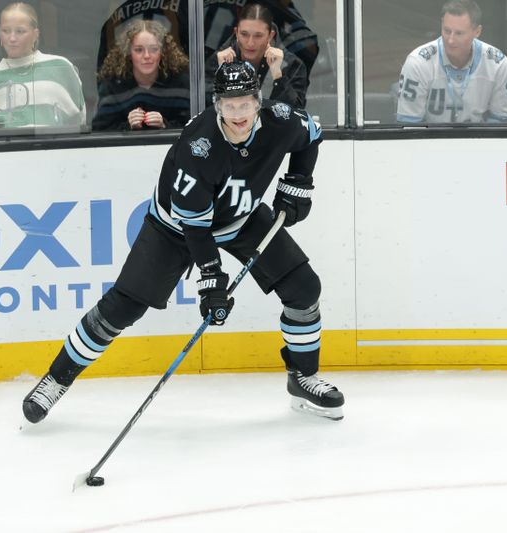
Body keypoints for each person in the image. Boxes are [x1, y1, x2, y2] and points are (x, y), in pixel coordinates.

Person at [22, 61, 345, 424]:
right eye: (229, 105)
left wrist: (298, 180)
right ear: (216, 104)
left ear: (259, 102)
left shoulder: (281, 119)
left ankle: (302, 377)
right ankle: (55, 379)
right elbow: (196, 228)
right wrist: (211, 278)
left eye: (245, 104)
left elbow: (311, 136)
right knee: (123, 307)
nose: (238, 114)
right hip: (175, 228)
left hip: (242, 217)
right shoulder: (198, 147)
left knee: (304, 287)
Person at [94, 0, 319, 80]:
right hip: (223, 111)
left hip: (171, 117)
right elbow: (306, 49)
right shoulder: (184, 7)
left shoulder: (114, 19)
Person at [396, 0, 507, 123]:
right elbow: (408, 126)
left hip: (479, 140)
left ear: (477, 32)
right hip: (430, 140)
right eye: (447, 31)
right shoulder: (418, 63)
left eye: (459, 33)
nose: (451, 41)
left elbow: (505, 123)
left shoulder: (497, 63)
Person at [0, 2, 86, 133]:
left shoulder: (61, 66)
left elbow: (79, 121)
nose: (12, 38)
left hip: (56, 149)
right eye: (5, 31)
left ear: (35, 34)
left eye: (20, 31)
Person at [92, 19, 190, 131]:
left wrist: (165, 125)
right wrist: (128, 126)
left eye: (153, 49)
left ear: (163, 52)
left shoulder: (180, 84)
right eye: (139, 50)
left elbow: (194, 128)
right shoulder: (112, 87)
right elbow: (100, 131)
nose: (147, 56)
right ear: (129, 53)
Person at [209, 3, 308, 109]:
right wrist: (222, 76)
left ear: (270, 36)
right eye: (244, 34)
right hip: (229, 125)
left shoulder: (291, 64)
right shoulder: (221, 59)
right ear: (236, 33)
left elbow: (297, 114)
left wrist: (278, 76)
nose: (250, 43)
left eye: (258, 36)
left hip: (272, 125)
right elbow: (204, 110)